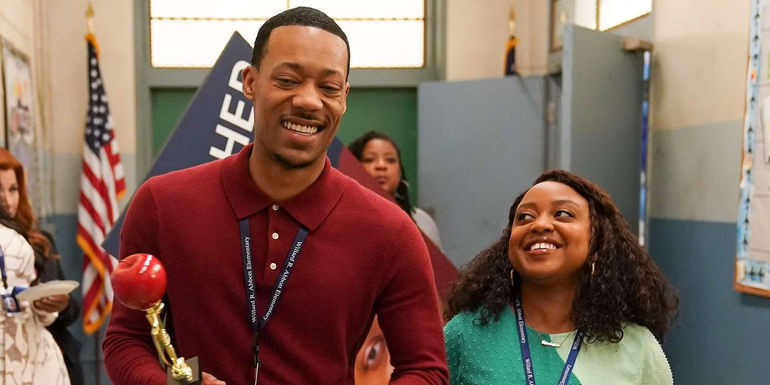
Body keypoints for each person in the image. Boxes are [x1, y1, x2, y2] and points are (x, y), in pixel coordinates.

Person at [103, 6, 448, 385]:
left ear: (345, 97)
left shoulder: (390, 231)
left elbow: (426, 369)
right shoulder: (163, 204)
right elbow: (126, 339)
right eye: (288, 80)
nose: (309, 101)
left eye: (329, 88)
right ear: (250, 82)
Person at [443, 170, 678, 385]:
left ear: (597, 243)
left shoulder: (638, 348)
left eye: (563, 214)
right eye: (525, 217)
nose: (540, 224)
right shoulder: (465, 335)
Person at [0, 148, 71, 385]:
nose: (7, 199)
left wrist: (59, 303)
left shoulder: (40, 242)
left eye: (13, 189)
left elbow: (71, 310)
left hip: (42, 355)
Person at [348, 130, 443, 250]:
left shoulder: (422, 222)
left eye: (390, 160)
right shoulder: (341, 219)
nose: (381, 166)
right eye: (369, 159)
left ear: (400, 172)